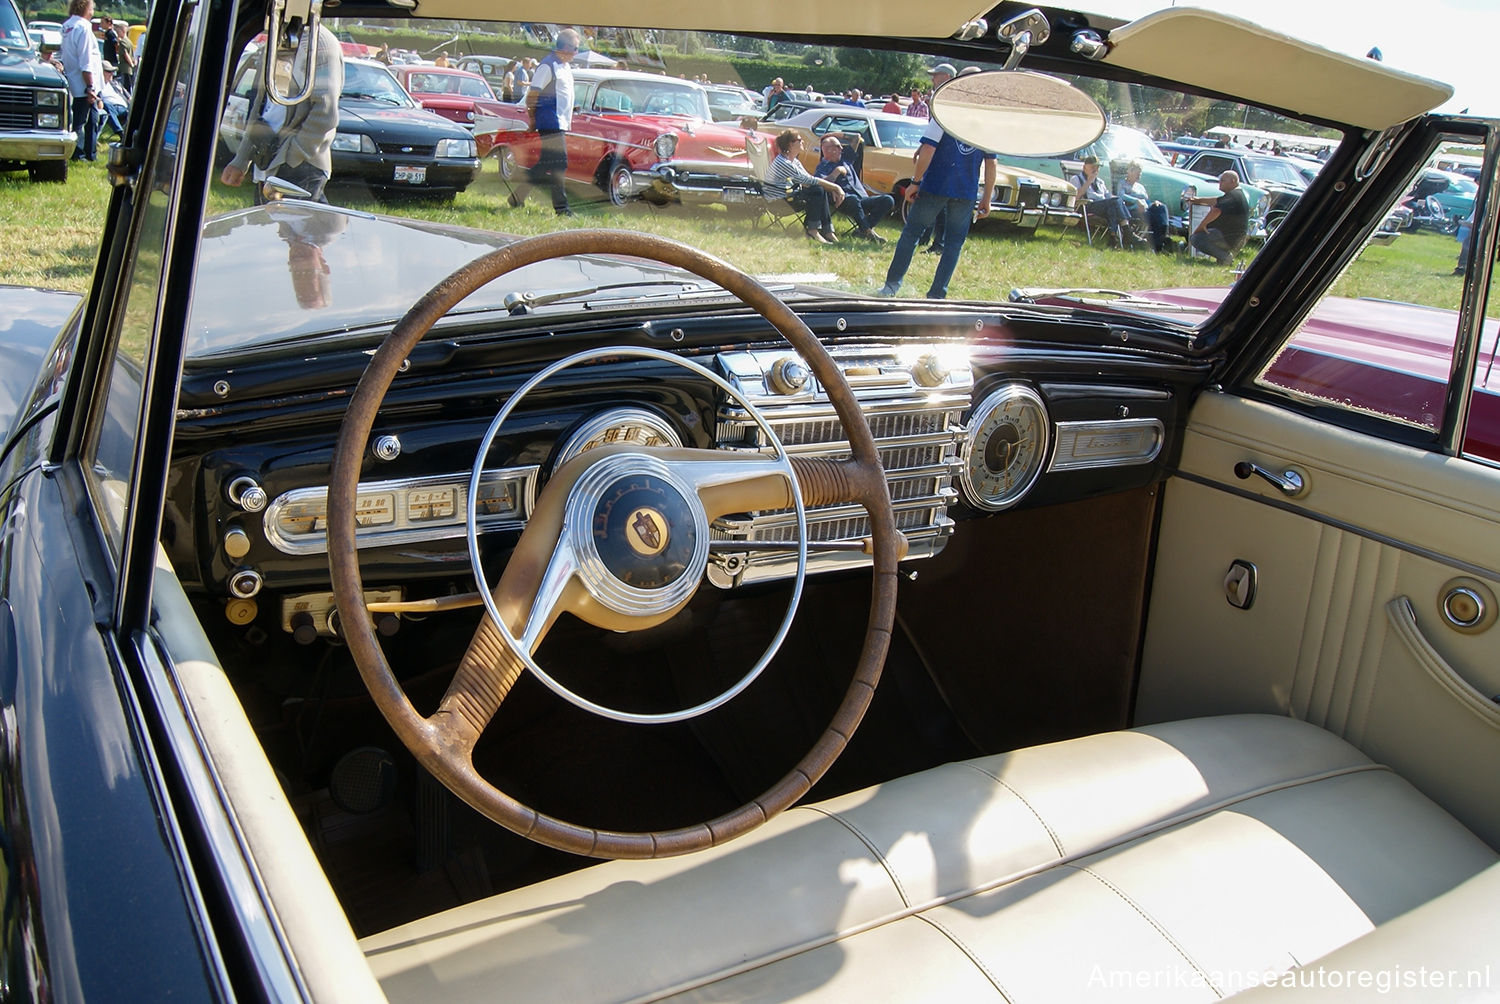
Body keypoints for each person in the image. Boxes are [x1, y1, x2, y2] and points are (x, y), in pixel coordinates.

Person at [220, 24, 344, 204]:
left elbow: (325, 113)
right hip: (269, 164)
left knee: (299, 231)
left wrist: (290, 158)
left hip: (300, 168)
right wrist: (241, 159)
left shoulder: (320, 43)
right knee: (269, 231)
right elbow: (261, 105)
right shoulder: (278, 37)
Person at [879, 117, 995, 298]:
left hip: (935, 186)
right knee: (953, 244)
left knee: (911, 235)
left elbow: (928, 149)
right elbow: (991, 163)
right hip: (965, 192)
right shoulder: (985, 125)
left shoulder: (943, 116)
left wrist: (915, 182)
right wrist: (987, 197)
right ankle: (937, 295)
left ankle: (891, 287)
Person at [508, 29, 579, 216]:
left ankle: (517, 197)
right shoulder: (548, 66)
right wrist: (532, 119)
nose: (577, 53)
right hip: (550, 121)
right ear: (565, 47)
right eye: (575, 48)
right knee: (559, 163)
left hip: (560, 122)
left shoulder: (565, 67)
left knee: (545, 164)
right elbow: (533, 96)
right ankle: (562, 208)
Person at [765, 131, 844, 243]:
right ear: (791, 144)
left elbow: (808, 179)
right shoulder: (784, 163)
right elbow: (808, 180)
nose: (802, 142)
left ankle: (827, 231)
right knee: (817, 190)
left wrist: (831, 187)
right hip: (778, 202)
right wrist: (836, 188)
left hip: (788, 196)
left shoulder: (794, 161)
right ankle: (813, 230)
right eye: (799, 140)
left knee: (819, 189)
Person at [814, 134, 892, 242]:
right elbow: (821, 184)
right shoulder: (822, 167)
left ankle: (861, 230)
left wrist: (831, 134)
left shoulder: (846, 158)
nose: (841, 148)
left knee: (888, 200)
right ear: (828, 150)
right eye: (838, 146)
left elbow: (856, 137)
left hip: (862, 199)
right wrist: (836, 172)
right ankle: (868, 232)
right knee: (853, 200)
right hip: (844, 202)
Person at [61, 0, 103, 162]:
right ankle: (78, 153)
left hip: (74, 79)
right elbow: (85, 60)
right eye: (92, 7)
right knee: (80, 120)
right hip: (84, 82)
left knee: (92, 117)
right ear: (85, 7)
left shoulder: (67, 26)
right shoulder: (84, 27)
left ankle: (90, 152)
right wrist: (90, 86)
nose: (93, 11)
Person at [1186, 170, 1249, 264]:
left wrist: (1201, 226)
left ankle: (1225, 257)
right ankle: (1222, 257)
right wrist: (1198, 200)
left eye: (1223, 180)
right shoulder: (1236, 194)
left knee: (1196, 238)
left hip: (1229, 237)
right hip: (1236, 237)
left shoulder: (1234, 195)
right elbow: (1217, 201)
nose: (1220, 183)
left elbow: (1216, 210)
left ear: (1232, 181)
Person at [1071, 154, 1129, 248]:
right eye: (1093, 167)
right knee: (1115, 202)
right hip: (1086, 206)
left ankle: (1113, 237)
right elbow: (1075, 197)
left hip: (1102, 206)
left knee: (1113, 206)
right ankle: (1126, 229)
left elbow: (1107, 196)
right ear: (1084, 167)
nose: (1095, 170)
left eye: (1097, 167)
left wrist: (1117, 199)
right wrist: (1088, 182)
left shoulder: (1100, 182)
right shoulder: (1076, 179)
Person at [1113, 160, 1165, 251]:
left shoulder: (1140, 187)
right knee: (1156, 219)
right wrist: (1136, 200)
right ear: (1130, 171)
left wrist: (1153, 203)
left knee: (1161, 208)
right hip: (1132, 210)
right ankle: (1158, 244)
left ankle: (1162, 238)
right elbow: (1121, 196)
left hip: (1146, 210)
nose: (1139, 175)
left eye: (1140, 173)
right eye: (1137, 173)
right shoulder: (1122, 183)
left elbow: (1146, 200)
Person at [97, 62, 130, 139]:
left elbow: (129, 97)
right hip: (111, 109)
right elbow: (99, 103)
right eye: (108, 71)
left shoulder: (115, 83)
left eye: (113, 71)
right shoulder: (98, 86)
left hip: (125, 108)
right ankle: (120, 133)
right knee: (106, 105)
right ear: (100, 72)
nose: (112, 74)